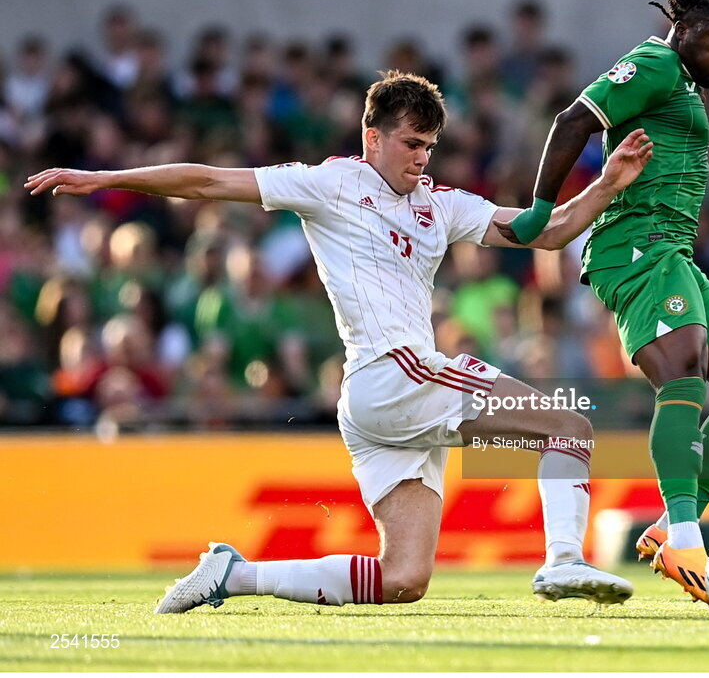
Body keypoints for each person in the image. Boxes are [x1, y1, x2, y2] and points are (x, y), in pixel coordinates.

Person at [26, 71, 653, 613]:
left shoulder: (442, 203)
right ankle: (564, 561)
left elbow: (543, 234)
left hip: (376, 401)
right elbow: (209, 183)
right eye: (410, 143)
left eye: (430, 146)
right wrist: (105, 178)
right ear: (371, 137)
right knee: (569, 427)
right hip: (397, 371)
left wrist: (606, 186)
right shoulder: (330, 185)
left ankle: (232, 574)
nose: (421, 159)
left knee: (404, 580)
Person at [500, 0, 709, 607]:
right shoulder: (653, 65)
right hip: (637, 251)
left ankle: (668, 526)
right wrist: (542, 208)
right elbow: (572, 120)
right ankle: (686, 539)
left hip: (672, 253)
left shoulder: (680, 81)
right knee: (683, 376)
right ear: (682, 29)